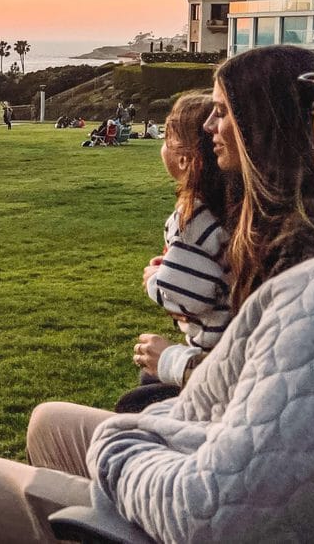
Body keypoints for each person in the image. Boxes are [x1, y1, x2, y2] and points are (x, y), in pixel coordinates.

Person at [0, 41, 314, 543]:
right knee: (48, 421)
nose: (206, 127)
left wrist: (125, 436)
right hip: (201, 444)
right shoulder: (277, 228)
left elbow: (220, 509)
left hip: (191, 495)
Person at [114, 93, 229, 413]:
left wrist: (156, 279)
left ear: (184, 160)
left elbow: (188, 296)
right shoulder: (226, 211)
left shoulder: (192, 218)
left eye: (167, 138)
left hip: (212, 353)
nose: (161, 146)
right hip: (217, 355)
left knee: (144, 394)